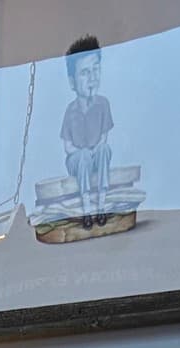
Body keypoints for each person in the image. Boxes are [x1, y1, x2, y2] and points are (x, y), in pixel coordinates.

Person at [61, 36, 114, 224]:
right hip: (78, 159)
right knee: (82, 156)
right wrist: (83, 153)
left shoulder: (103, 104)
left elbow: (104, 137)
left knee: (104, 150)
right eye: (84, 73)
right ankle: (87, 209)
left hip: (94, 155)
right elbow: (68, 146)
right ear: (72, 82)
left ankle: (101, 204)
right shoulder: (71, 110)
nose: (92, 78)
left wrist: (95, 151)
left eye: (95, 70)